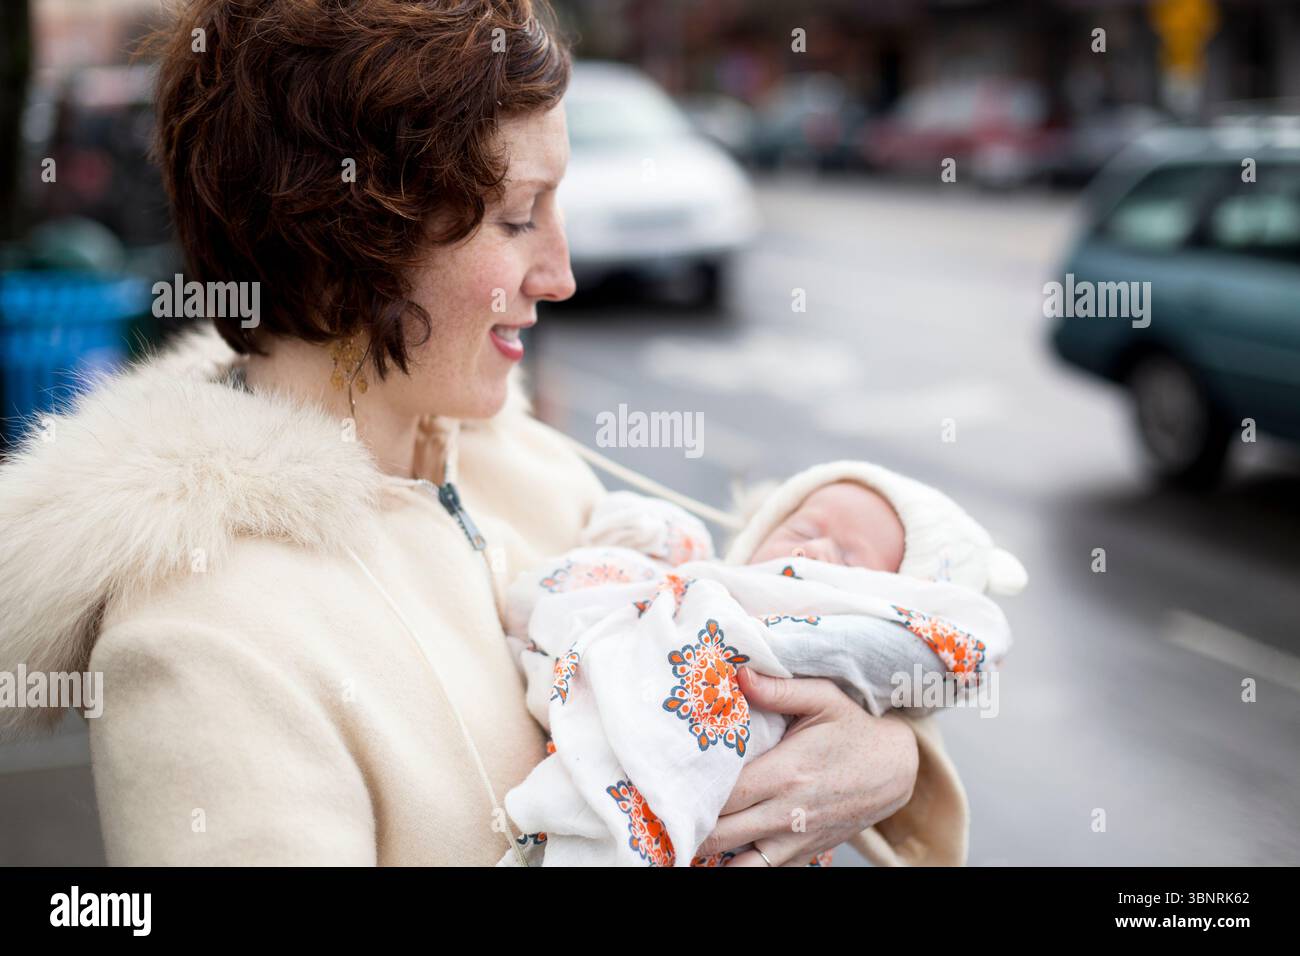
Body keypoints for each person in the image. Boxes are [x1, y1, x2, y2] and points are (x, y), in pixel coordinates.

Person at [0, 0, 963, 866]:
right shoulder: (204, 648)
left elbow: (740, 680)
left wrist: (885, 755)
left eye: (557, 207)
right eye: (515, 218)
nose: (562, 273)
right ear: (344, 240)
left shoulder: (524, 458)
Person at [499, 468, 1027, 866]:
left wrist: (896, 751)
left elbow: (906, 662)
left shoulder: (832, 663)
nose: (814, 547)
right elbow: (572, 597)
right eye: (802, 527)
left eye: (848, 559)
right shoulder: (689, 585)